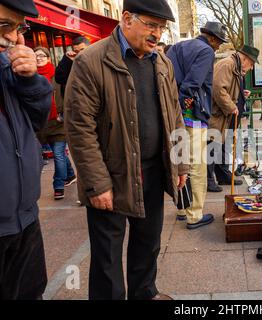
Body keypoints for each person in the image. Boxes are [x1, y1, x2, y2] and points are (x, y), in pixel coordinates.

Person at [64, 0, 188, 300]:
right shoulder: (91, 60)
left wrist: (181, 165)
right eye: (151, 25)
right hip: (112, 175)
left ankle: (144, 293)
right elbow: (80, 127)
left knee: (148, 243)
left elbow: (175, 117)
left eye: (161, 27)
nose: (157, 33)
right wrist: (96, 183)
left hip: (153, 170)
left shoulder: (162, 63)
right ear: (126, 19)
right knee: (107, 254)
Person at [0, 0, 53, 299]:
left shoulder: (7, 65)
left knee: (31, 291)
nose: (13, 37)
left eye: (18, 27)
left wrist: (30, 79)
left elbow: (38, 121)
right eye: (4, 24)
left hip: (25, 216)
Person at [166, 21, 228, 227]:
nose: (218, 47)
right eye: (219, 42)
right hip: (192, 115)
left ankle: (183, 208)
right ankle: (195, 214)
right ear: (212, 38)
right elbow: (193, 83)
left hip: (175, 114)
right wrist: (184, 108)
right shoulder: (206, 51)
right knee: (197, 166)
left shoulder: (178, 47)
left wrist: (175, 112)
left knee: (181, 162)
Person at [208, 45, 259, 189]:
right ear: (245, 59)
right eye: (252, 63)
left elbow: (228, 88)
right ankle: (209, 181)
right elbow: (218, 88)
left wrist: (241, 93)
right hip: (219, 115)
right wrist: (231, 106)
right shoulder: (228, 64)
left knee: (222, 146)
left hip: (225, 116)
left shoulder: (234, 66)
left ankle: (223, 176)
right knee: (213, 146)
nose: (252, 67)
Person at [34, 46, 76, 200]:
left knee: (58, 154)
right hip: (41, 125)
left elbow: (68, 95)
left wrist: (63, 115)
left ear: (48, 58)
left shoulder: (57, 74)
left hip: (58, 123)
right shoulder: (29, 77)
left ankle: (58, 186)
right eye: (35, 56)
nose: (38, 58)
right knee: (60, 156)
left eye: (41, 56)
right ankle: (70, 174)